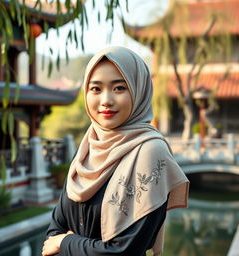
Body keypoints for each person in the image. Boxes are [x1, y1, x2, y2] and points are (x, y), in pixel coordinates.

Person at [42, 46, 189, 256]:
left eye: (119, 88)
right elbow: (54, 230)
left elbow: (125, 250)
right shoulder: (88, 145)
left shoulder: (150, 152)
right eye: (96, 89)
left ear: (139, 91)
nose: (106, 100)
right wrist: (66, 242)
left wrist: (67, 242)